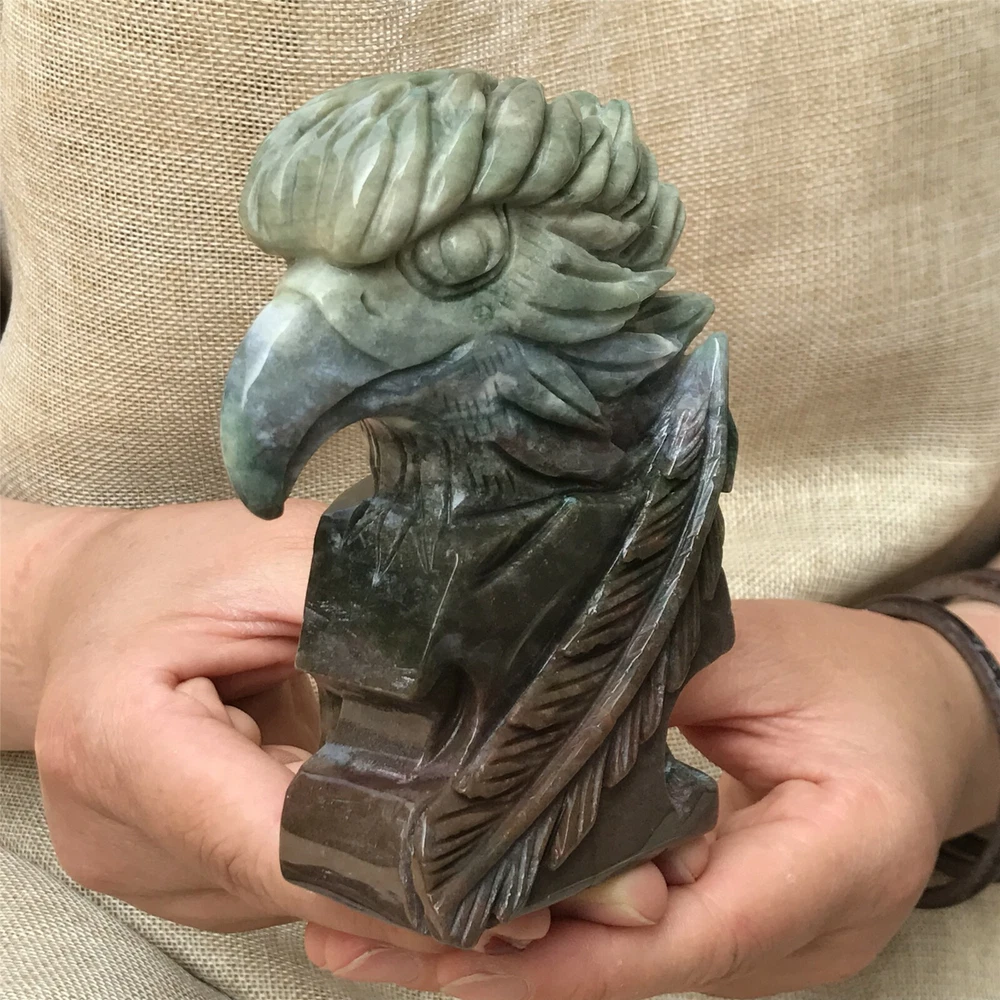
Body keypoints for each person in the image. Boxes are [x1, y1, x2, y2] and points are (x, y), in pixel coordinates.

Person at [1, 4, 998, 1000]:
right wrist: (49, 592)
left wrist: (966, 685)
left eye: (454, 258)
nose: (312, 325)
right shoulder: (379, 538)